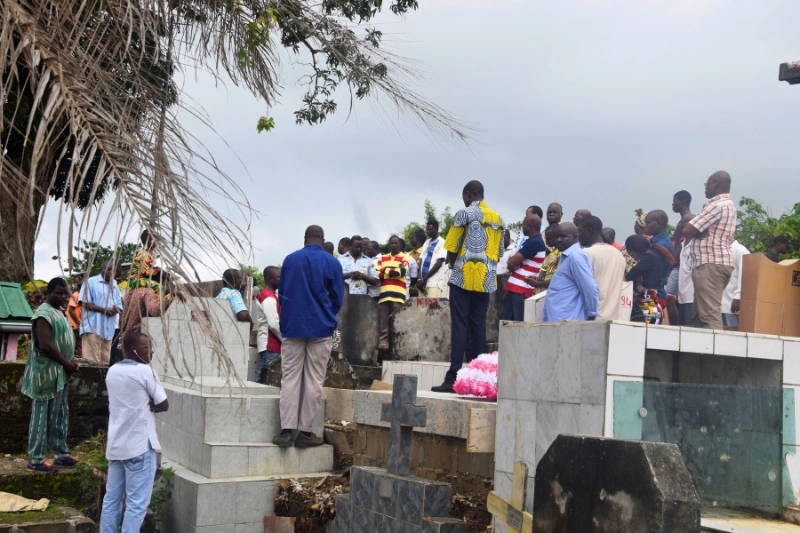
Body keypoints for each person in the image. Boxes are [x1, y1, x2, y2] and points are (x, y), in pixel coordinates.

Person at [274, 226, 344, 448]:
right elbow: (337, 299)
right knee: (313, 379)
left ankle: (286, 431)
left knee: (290, 377)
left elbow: (282, 293)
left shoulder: (290, 259)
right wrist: (323, 313)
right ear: (323, 241)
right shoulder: (332, 263)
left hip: (293, 326)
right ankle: (305, 433)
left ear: (304, 239)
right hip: (321, 328)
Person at [433, 181, 504, 393]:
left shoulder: (463, 214)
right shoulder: (498, 218)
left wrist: (454, 265)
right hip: (486, 279)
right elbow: (499, 253)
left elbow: (452, 247)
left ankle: (453, 377)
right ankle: (477, 378)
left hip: (463, 277)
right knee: (478, 327)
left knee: (459, 326)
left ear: (467, 194)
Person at [100, 332, 168, 533]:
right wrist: (151, 406)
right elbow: (163, 404)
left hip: (116, 447)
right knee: (136, 505)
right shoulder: (145, 372)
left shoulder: (112, 371)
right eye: (146, 348)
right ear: (133, 350)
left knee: (111, 499)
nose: (151, 351)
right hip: (139, 447)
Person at [22, 277, 79, 473]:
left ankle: (60, 454)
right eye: (59, 293)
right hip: (45, 373)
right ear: (49, 293)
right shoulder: (43, 313)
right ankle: (36, 460)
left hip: (60, 372)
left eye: (65, 293)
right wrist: (67, 363)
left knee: (59, 415)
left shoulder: (60, 311)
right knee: (41, 417)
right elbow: (45, 345)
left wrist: (70, 362)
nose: (63, 297)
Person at [682, 171, 737, 330]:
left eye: (707, 184)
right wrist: (698, 230)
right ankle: (702, 353)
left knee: (709, 316)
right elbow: (693, 229)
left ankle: (716, 354)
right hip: (716, 263)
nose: (705, 188)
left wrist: (696, 230)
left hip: (710, 264)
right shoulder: (729, 205)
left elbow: (687, 229)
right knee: (699, 315)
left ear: (715, 184)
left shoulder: (717, 206)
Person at [541, 223, 598, 322]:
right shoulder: (566, 256)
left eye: (563, 236)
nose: (558, 240)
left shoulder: (575, 256)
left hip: (566, 320)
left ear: (575, 237)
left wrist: (592, 313)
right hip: (557, 319)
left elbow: (589, 287)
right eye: (557, 236)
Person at [579, 216, 626, 321]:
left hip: (591, 317)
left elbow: (586, 287)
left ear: (589, 231)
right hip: (612, 318)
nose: (578, 236)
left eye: (580, 231)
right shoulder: (619, 255)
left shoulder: (587, 253)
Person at [501, 215, 546, 321]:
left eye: (524, 225)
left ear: (530, 226)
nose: (522, 228)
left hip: (521, 289)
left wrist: (517, 264)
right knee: (506, 322)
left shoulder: (534, 242)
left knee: (516, 324)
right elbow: (512, 265)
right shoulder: (532, 241)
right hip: (516, 287)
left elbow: (511, 263)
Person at [79, 261, 123, 364]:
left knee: (105, 362)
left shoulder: (115, 285)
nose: (111, 272)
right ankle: (90, 380)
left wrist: (115, 310)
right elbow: (84, 303)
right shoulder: (90, 282)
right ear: (101, 270)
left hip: (109, 329)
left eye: (113, 270)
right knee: (92, 361)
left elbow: (119, 306)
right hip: (93, 327)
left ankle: (101, 380)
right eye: (108, 269)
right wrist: (104, 311)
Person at [376, 236, 415, 348]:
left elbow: (403, 272)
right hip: (384, 295)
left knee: (397, 322)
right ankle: (383, 346)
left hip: (398, 295)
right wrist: (393, 271)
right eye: (391, 243)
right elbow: (379, 273)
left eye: (395, 243)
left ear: (399, 244)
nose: (393, 245)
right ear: (389, 244)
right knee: (383, 324)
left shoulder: (405, 256)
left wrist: (386, 270)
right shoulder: (383, 257)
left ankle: (397, 347)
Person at [120, 265, 174, 344]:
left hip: (127, 336)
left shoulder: (131, 291)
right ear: (157, 281)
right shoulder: (148, 291)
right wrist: (170, 296)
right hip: (139, 338)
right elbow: (154, 310)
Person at [625, 236, 668, 324]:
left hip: (645, 304)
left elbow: (631, 274)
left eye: (632, 255)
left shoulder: (649, 258)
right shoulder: (655, 256)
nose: (633, 258)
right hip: (653, 303)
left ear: (634, 251)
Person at [256, 266, 282, 383]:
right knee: (265, 380)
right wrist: (286, 339)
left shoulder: (270, 295)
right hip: (270, 343)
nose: (281, 279)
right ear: (270, 279)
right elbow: (273, 324)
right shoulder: (269, 298)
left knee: (265, 377)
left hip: (270, 342)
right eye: (278, 277)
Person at [643, 210, 675, 303]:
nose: (645, 226)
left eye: (648, 223)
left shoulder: (661, 245)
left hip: (655, 294)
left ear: (658, 223)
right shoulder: (655, 241)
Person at [722, 240, 750, 327]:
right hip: (721, 303)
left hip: (732, 303)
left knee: (733, 336)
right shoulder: (722, 250)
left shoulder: (740, 251)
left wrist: (738, 297)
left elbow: (745, 275)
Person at [416, 220, 448, 296]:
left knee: (432, 308)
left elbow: (438, 264)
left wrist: (424, 279)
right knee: (421, 307)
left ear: (436, 229)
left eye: (430, 229)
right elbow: (421, 260)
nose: (428, 231)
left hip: (434, 283)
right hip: (422, 284)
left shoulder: (442, 242)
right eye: (427, 229)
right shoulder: (426, 242)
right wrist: (420, 279)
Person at [529, 224, 562, 294]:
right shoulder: (552, 252)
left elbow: (557, 279)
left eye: (548, 238)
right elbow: (546, 273)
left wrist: (537, 283)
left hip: (549, 293)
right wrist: (536, 278)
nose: (546, 241)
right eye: (545, 238)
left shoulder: (560, 254)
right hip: (541, 292)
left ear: (557, 238)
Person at [66, 281, 83, 358]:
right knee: (71, 343)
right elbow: (70, 310)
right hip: (73, 323)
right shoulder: (76, 295)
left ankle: (82, 359)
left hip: (78, 324)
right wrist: (78, 322)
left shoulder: (82, 296)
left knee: (80, 344)